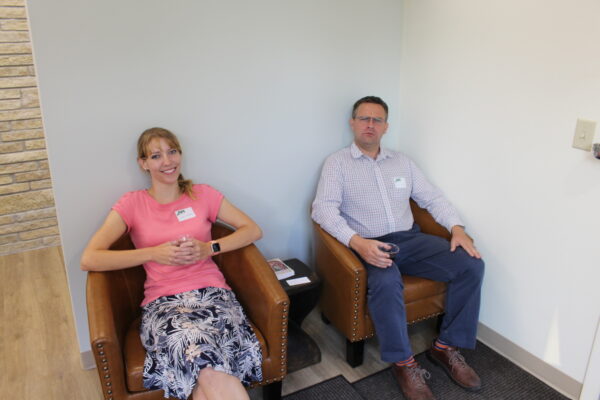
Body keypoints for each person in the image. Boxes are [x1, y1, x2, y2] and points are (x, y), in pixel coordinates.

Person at [311, 96, 485, 400]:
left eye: (377, 120)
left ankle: (446, 348)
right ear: (352, 123)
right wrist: (358, 243)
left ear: (386, 127)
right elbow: (322, 210)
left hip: (411, 240)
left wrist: (457, 228)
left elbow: (432, 198)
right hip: (369, 245)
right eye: (364, 118)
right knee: (388, 283)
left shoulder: (402, 161)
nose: (370, 125)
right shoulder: (337, 163)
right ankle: (404, 363)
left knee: (471, 264)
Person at [81, 127, 262, 400]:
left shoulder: (203, 194)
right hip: (164, 305)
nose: (167, 161)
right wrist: (152, 253)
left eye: (172, 151)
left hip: (214, 296)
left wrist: (208, 248)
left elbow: (252, 230)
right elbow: (90, 258)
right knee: (208, 368)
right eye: (156, 156)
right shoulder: (132, 204)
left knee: (207, 376)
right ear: (143, 164)